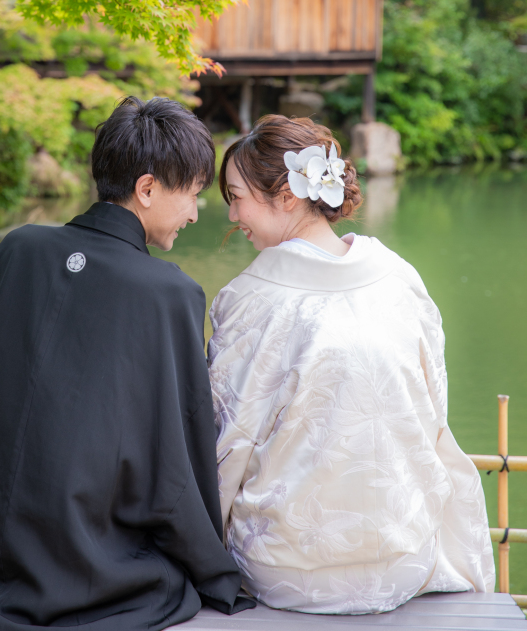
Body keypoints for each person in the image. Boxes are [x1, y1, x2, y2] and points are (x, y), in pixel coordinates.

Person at [0, 96, 253, 631]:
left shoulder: (19, 249)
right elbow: (174, 456)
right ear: (147, 189)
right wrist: (209, 564)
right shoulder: (168, 292)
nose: (196, 213)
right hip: (85, 560)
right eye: (193, 194)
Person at [208, 114, 494, 616]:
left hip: (287, 570)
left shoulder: (249, 299)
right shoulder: (400, 279)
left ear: (287, 196)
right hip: (404, 557)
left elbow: (226, 444)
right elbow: (433, 412)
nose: (232, 215)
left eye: (236, 197)